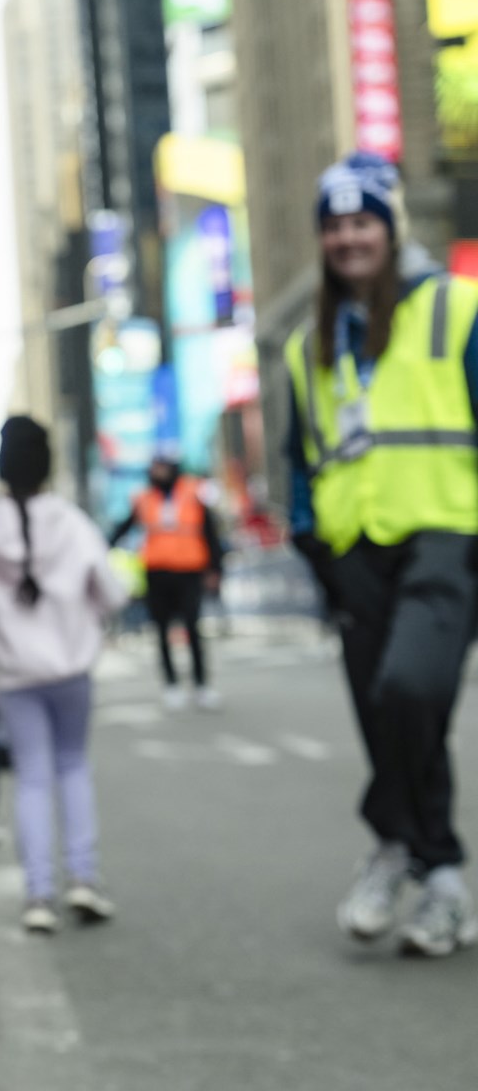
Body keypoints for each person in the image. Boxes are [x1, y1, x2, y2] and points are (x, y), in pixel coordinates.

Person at [286, 151, 478, 958]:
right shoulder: (309, 348)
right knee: (384, 719)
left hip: (445, 533)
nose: (347, 238)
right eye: (333, 226)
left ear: (392, 229)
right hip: (352, 553)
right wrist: (313, 551)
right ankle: (436, 877)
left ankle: (398, 845)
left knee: (408, 690)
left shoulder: (457, 310)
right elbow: (303, 464)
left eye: (362, 221)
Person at [0, 417, 127, 934]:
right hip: (72, 668)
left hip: (11, 673)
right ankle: (84, 881)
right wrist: (82, 621)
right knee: (72, 766)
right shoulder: (72, 522)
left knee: (31, 777)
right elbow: (112, 594)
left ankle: (39, 896)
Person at [107, 455, 226, 711]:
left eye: (162, 467)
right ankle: (171, 685)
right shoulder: (145, 499)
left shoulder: (192, 494)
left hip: (189, 572)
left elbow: (209, 533)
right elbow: (123, 528)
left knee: (193, 630)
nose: (158, 472)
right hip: (157, 573)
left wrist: (216, 569)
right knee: (161, 632)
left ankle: (201, 685)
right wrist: (102, 546)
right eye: (154, 468)